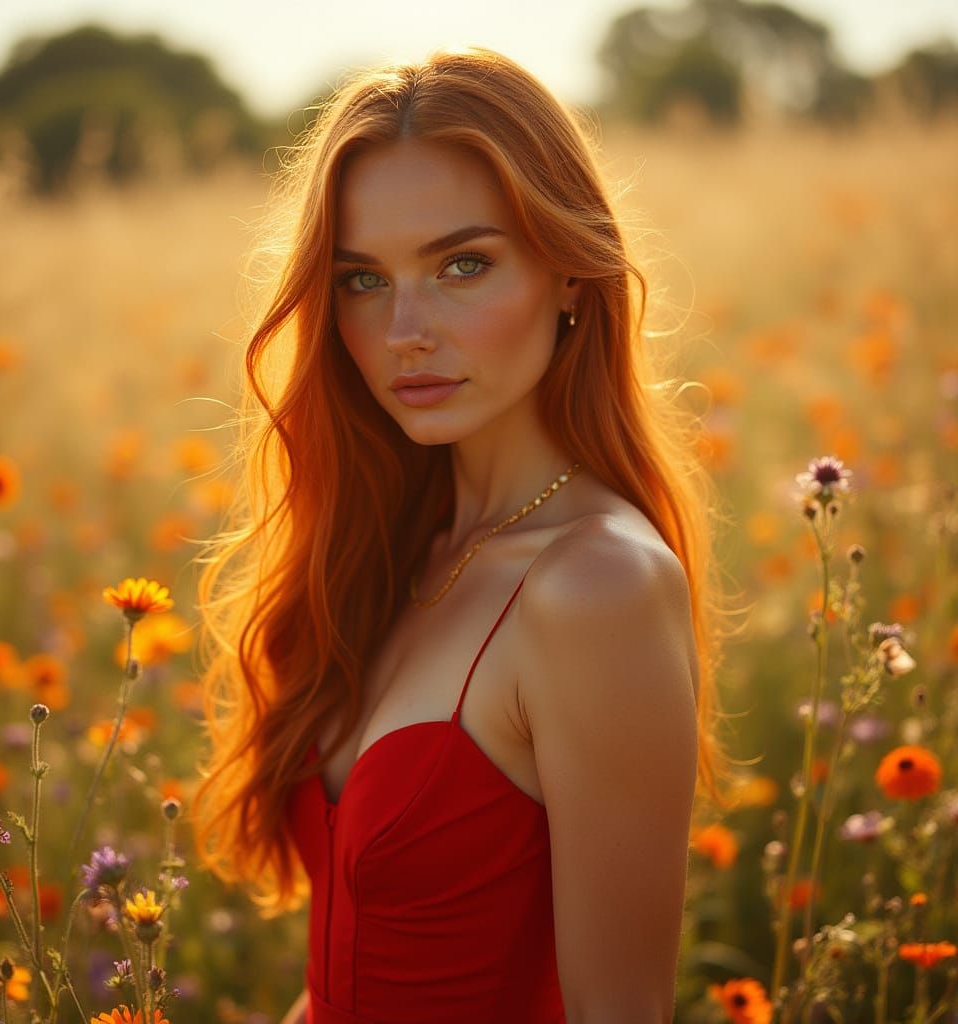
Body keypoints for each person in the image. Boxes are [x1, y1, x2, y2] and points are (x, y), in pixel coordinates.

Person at [191, 44, 734, 1024]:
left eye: (462, 265)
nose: (405, 328)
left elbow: (623, 1010)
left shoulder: (595, 588)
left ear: (570, 274)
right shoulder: (389, 551)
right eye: (361, 280)